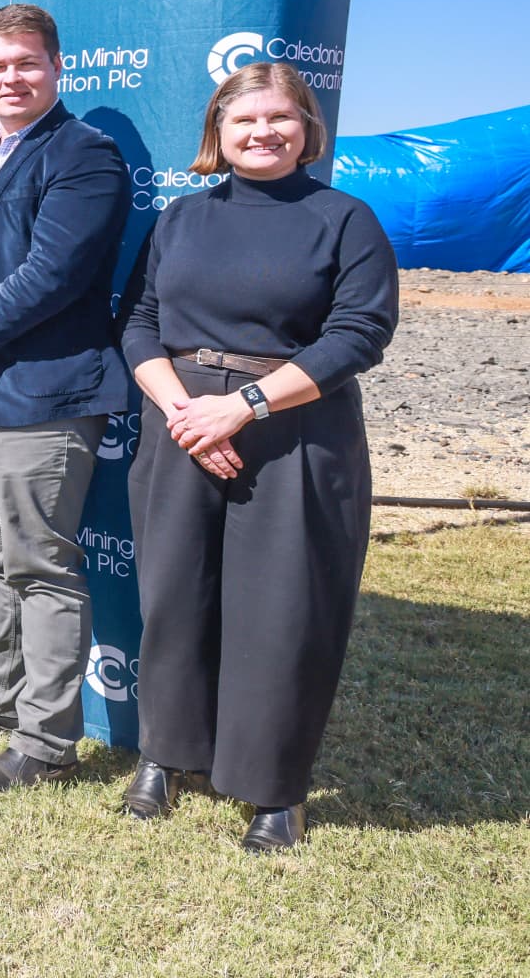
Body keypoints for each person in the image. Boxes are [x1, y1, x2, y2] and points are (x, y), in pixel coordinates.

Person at [117, 62, 396, 851]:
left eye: (280, 117)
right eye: (244, 120)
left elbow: (359, 332)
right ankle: (165, 756)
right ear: (219, 132)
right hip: (181, 426)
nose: (263, 132)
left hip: (295, 432)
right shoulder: (180, 219)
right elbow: (138, 322)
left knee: (284, 612)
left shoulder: (344, 219)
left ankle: (275, 790)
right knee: (174, 599)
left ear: (307, 127)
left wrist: (241, 407)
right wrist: (185, 413)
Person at [0, 3, 130, 790]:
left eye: (27, 63)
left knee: (39, 564)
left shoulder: (85, 155)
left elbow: (51, 276)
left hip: (43, 394)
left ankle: (45, 743)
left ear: (57, 67)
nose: (11, 78)